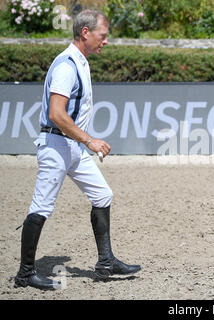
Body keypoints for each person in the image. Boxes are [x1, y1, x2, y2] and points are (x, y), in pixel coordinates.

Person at [14, 10, 141, 290]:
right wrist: (89, 140)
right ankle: (24, 273)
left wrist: (82, 142)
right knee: (42, 207)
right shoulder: (66, 66)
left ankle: (106, 261)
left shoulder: (81, 62)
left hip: (71, 146)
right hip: (57, 146)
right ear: (86, 33)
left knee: (103, 194)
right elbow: (56, 114)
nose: (105, 41)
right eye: (102, 36)